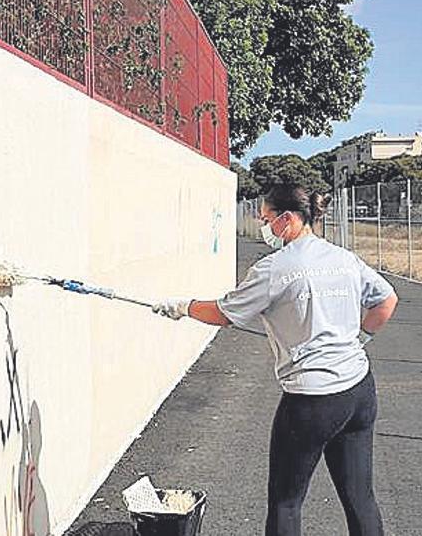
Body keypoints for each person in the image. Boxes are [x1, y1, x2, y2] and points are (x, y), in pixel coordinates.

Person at [152, 184, 398, 536]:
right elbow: (386, 301)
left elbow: (224, 313)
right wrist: (359, 340)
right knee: (360, 495)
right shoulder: (342, 258)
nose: (263, 224)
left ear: (287, 219)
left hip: (312, 400)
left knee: (286, 502)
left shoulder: (275, 268)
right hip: (358, 390)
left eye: (266, 218)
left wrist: (183, 307)